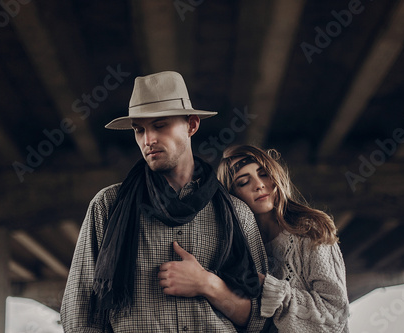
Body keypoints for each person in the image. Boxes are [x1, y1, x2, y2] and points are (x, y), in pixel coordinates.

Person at [60, 71, 269, 332]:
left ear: (192, 125)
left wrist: (207, 284)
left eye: (160, 125)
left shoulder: (236, 213)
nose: (148, 140)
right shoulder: (108, 205)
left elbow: (259, 317)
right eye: (139, 130)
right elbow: (80, 313)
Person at [216, 145, 350, 333]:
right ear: (233, 195)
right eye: (244, 182)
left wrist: (266, 286)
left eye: (263, 174)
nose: (259, 184)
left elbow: (334, 313)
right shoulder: (237, 249)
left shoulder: (310, 230)